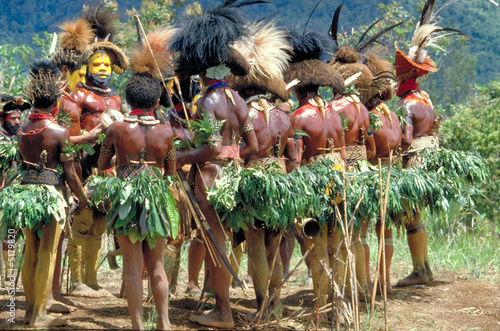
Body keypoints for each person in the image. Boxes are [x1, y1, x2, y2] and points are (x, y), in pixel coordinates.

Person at [170, 1, 260, 327]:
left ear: (204, 70)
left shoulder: (207, 99)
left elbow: (210, 148)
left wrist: (180, 157)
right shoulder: (239, 101)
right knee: (218, 239)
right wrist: (232, 156)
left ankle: (222, 312)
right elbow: (254, 145)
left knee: (216, 241)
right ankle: (218, 304)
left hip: (211, 180)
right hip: (233, 177)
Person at [96, 29, 177, 330]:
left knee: (132, 267)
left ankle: (137, 327)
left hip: (126, 199)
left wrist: (123, 161)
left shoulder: (117, 130)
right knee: (156, 265)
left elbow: (103, 162)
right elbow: (171, 171)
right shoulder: (166, 132)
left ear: (128, 100)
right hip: (157, 198)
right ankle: (165, 324)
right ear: (157, 99)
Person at [226, 21, 299, 320]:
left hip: (255, 180)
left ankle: (261, 306)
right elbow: (292, 155)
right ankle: (275, 302)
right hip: (281, 182)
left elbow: (247, 150)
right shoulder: (284, 118)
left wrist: (232, 156)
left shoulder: (245, 113)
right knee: (276, 240)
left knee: (255, 240)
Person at [11, 59, 88, 327]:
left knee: (30, 251)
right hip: (50, 196)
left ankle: (30, 312)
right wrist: (83, 198)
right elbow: (71, 174)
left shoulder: (21, 129)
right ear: (55, 101)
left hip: (25, 195)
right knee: (47, 253)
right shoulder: (58, 131)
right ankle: (40, 316)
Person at [394, 0, 461, 287]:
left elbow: (407, 139)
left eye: (399, 73)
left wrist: (393, 152)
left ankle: (421, 270)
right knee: (416, 217)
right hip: (430, 158)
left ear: (406, 75)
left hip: (416, 163)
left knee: (412, 216)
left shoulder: (407, 104)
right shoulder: (426, 99)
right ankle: (424, 268)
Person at [67, 3, 129, 298]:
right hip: (82, 165)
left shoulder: (116, 99)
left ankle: (90, 279)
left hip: (107, 169)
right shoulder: (78, 95)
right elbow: (68, 133)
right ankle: (76, 280)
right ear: (87, 67)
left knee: (99, 224)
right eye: (97, 64)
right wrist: (89, 137)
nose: (102, 69)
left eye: (106, 65)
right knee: (81, 221)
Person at [285, 25, 346, 314]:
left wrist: (293, 190)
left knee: (318, 246)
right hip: (339, 179)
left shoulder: (298, 116)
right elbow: (343, 154)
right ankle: (337, 305)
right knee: (337, 245)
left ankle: (321, 305)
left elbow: (295, 160)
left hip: (312, 184)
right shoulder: (334, 112)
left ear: (297, 88)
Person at [0, 97, 31, 283]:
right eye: (13, 118)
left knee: (10, 234)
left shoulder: (22, 137)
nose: (17, 122)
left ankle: (9, 275)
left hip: (12, 195)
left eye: (19, 118)